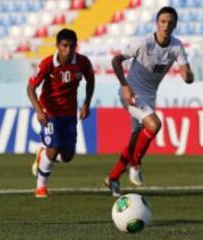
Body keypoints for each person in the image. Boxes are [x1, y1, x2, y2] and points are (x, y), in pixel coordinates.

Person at [105, 6, 194, 197]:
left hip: (150, 96)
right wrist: (125, 86)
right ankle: (135, 164)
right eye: (163, 22)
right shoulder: (143, 43)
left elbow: (187, 71)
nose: (166, 25)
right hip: (132, 93)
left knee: (135, 141)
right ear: (157, 23)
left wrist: (187, 75)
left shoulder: (177, 46)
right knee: (154, 124)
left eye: (170, 22)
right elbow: (115, 61)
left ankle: (113, 178)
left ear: (175, 24)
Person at [27, 28, 95, 198]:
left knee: (67, 156)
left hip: (70, 114)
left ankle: (42, 154)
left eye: (72, 46)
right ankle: (41, 187)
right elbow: (31, 88)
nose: (68, 50)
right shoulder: (47, 64)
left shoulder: (82, 62)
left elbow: (90, 81)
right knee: (54, 148)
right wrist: (38, 110)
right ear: (57, 46)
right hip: (49, 112)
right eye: (64, 46)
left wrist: (86, 104)